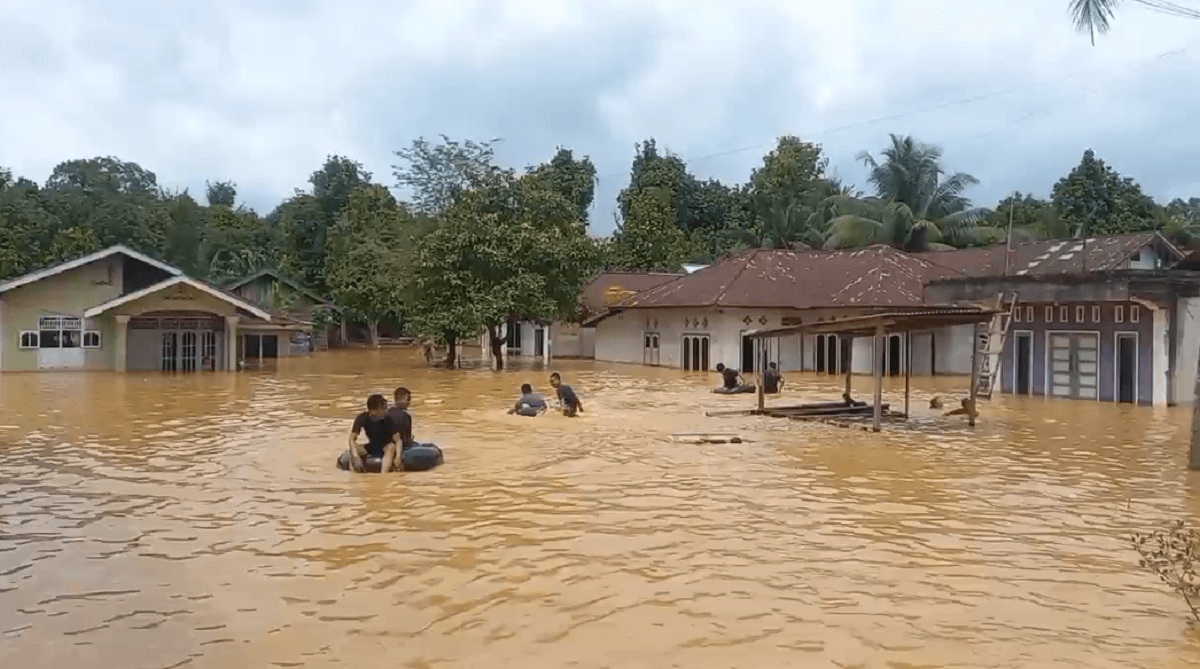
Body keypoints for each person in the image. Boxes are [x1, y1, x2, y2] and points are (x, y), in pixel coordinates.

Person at [341, 393, 401, 473]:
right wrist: (355, 456)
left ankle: (383, 476)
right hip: (372, 446)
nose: (385, 411)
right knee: (354, 448)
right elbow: (352, 439)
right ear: (372, 411)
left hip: (386, 447)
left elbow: (398, 440)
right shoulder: (362, 418)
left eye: (385, 408)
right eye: (382, 408)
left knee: (391, 447)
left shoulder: (388, 419)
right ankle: (354, 478)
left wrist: (398, 456)